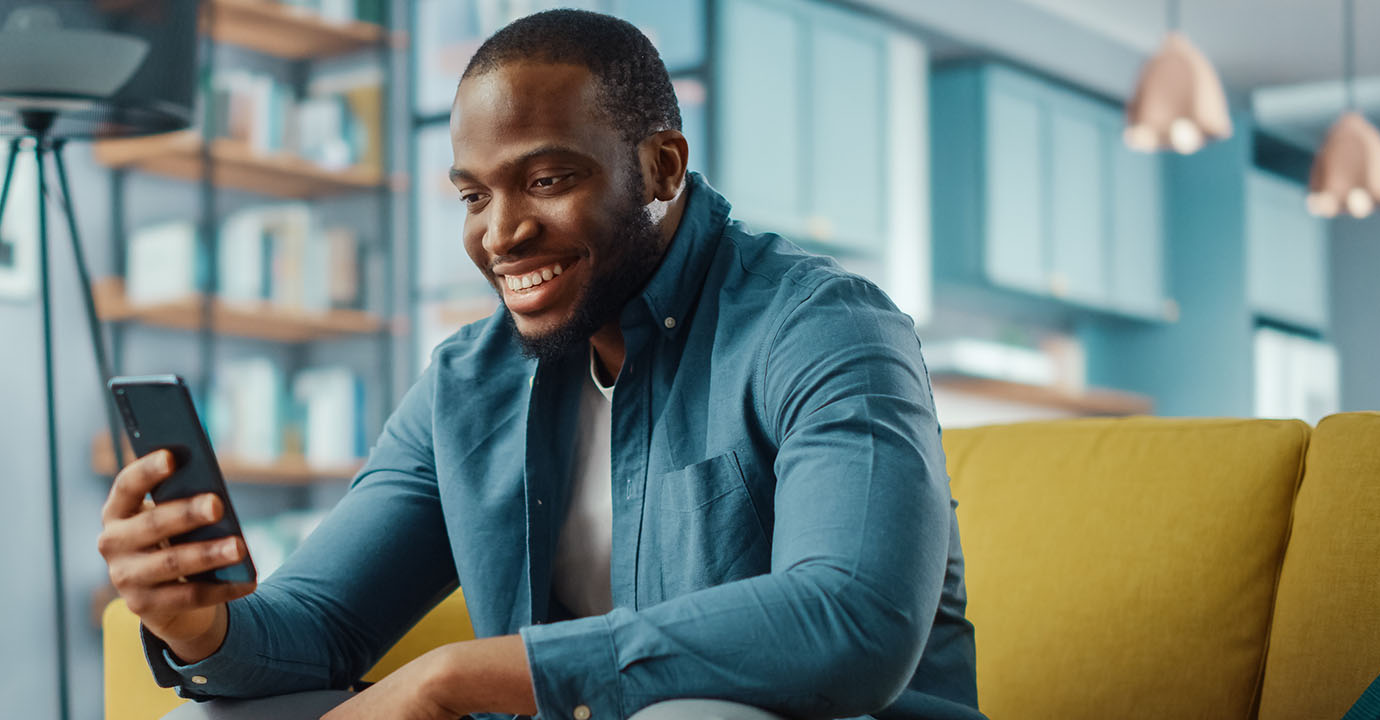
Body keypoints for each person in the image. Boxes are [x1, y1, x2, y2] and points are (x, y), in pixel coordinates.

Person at [97, 9, 981, 720]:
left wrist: (462, 677)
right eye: (474, 195)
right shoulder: (466, 383)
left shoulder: (824, 327)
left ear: (662, 165)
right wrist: (200, 627)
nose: (500, 233)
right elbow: (322, 625)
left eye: (548, 180)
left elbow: (854, 619)